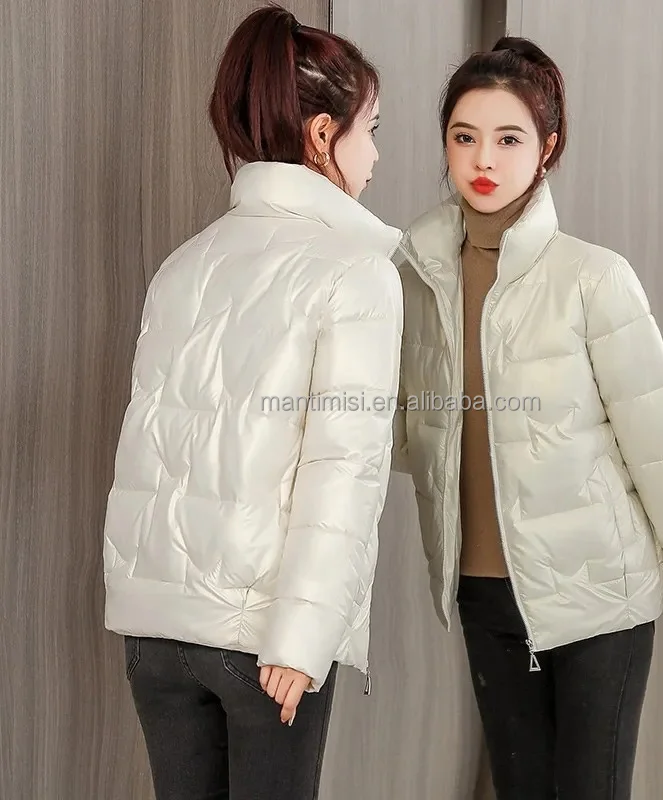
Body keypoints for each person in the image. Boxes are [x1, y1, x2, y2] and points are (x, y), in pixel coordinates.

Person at [391, 36, 663, 800]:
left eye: (509, 138)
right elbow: (405, 432)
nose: (482, 159)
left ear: (547, 147)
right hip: (484, 594)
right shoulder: (413, 275)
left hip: (600, 597)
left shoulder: (593, 278)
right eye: (464, 136)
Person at [102, 5, 403, 799]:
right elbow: (343, 468)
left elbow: (154, 450)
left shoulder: (184, 265)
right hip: (266, 642)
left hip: (157, 636)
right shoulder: (356, 271)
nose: (376, 156)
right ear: (323, 135)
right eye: (372, 130)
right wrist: (303, 639)